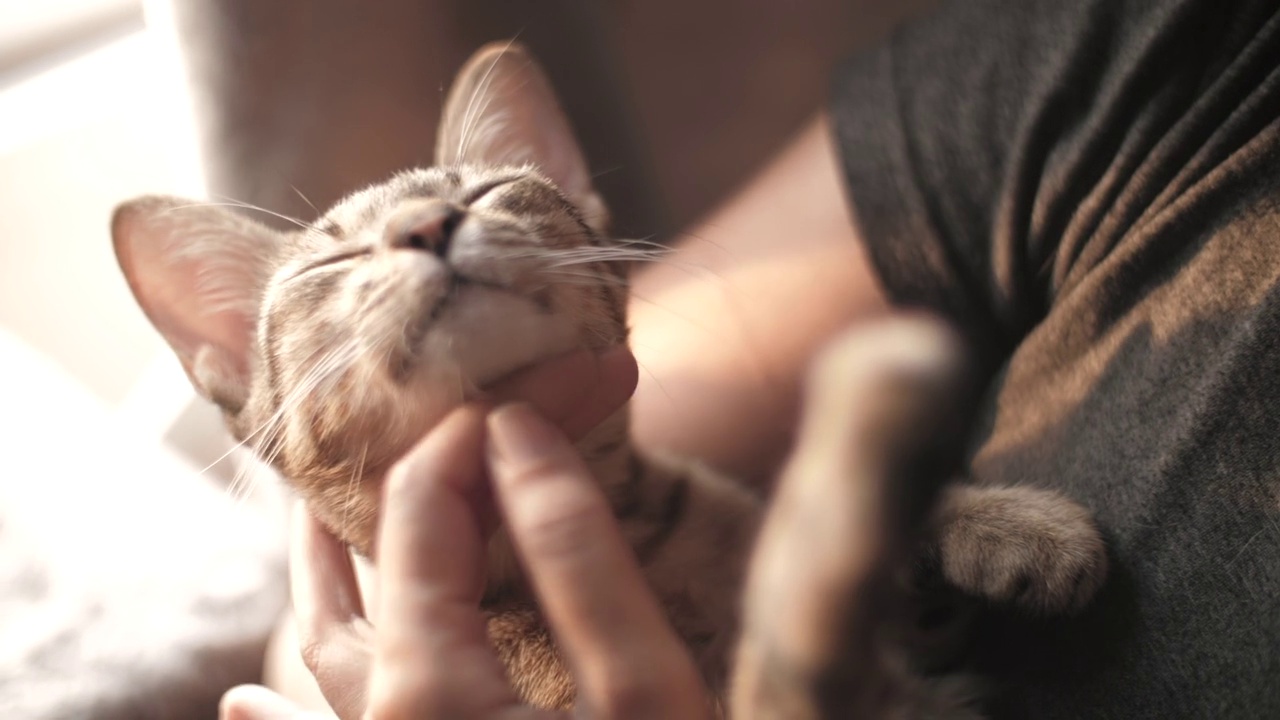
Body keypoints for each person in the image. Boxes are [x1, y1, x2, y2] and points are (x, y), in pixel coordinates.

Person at [209, 0, 1280, 716]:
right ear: (234, 375)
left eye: (488, 194)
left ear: (584, 219)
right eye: (325, 269)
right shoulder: (1128, 56)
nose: (422, 233)